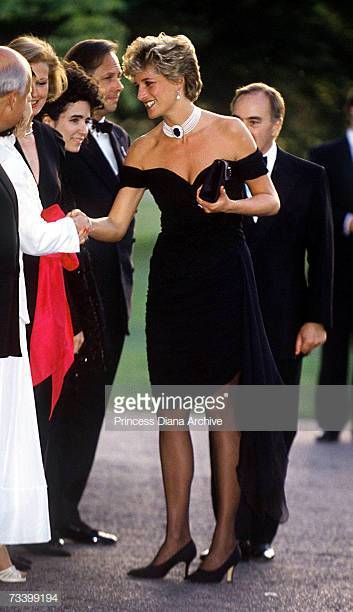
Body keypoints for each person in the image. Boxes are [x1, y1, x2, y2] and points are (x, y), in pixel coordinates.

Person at [74, 33, 289, 583]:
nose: (139, 92)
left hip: (224, 281)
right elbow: (117, 225)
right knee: (172, 411)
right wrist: (78, 224)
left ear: (177, 81)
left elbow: (271, 199)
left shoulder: (230, 130)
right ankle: (176, 538)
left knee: (224, 414)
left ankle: (223, 544)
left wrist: (230, 205)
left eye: (147, 82)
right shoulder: (142, 149)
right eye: (138, 82)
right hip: (171, 285)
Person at [230, 82, 333, 559]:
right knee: (230, 427)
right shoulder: (216, 172)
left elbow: (324, 256)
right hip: (225, 319)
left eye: (255, 121)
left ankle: (262, 531)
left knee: (273, 428)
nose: (245, 130)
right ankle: (228, 528)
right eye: (238, 119)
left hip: (283, 322)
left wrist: (316, 319)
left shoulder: (308, 177)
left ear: (276, 124)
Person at [0, 46, 86, 581]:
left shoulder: (10, 155)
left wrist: (76, 226)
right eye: (24, 93)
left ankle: (1, 550)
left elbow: (32, 234)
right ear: (8, 97)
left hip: (4, 320)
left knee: (5, 431)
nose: (33, 102)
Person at [46, 39, 135, 547]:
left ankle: (69, 513)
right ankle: (44, 518)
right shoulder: (57, 138)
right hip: (73, 290)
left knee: (92, 409)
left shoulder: (120, 136)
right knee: (62, 409)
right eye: (108, 76)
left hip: (114, 293)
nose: (117, 85)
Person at [310, 88, 353, 443]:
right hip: (339, 271)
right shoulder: (325, 156)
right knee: (335, 349)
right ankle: (330, 423)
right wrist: (346, 221)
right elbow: (317, 211)